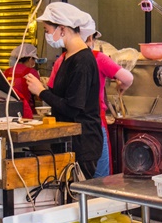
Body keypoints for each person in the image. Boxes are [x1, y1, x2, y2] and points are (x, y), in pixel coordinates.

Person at [25, 2, 103, 178]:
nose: (46, 35)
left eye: (47, 30)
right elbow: (63, 95)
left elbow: (72, 107)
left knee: (77, 198)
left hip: (82, 144)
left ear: (62, 29)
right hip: (68, 141)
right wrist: (43, 88)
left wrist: (41, 92)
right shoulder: (67, 57)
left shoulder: (82, 61)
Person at [47, 18, 134, 177]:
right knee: (99, 178)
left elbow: (51, 89)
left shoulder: (63, 59)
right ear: (89, 38)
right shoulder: (96, 58)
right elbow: (128, 78)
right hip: (93, 123)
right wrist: (121, 87)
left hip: (67, 127)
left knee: (71, 178)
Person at [4, 43, 42, 119]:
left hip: (7, 113)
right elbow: (39, 95)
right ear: (30, 59)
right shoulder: (31, 72)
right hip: (26, 113)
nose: (34, 63)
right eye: (34, 60)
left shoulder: (6, 72)